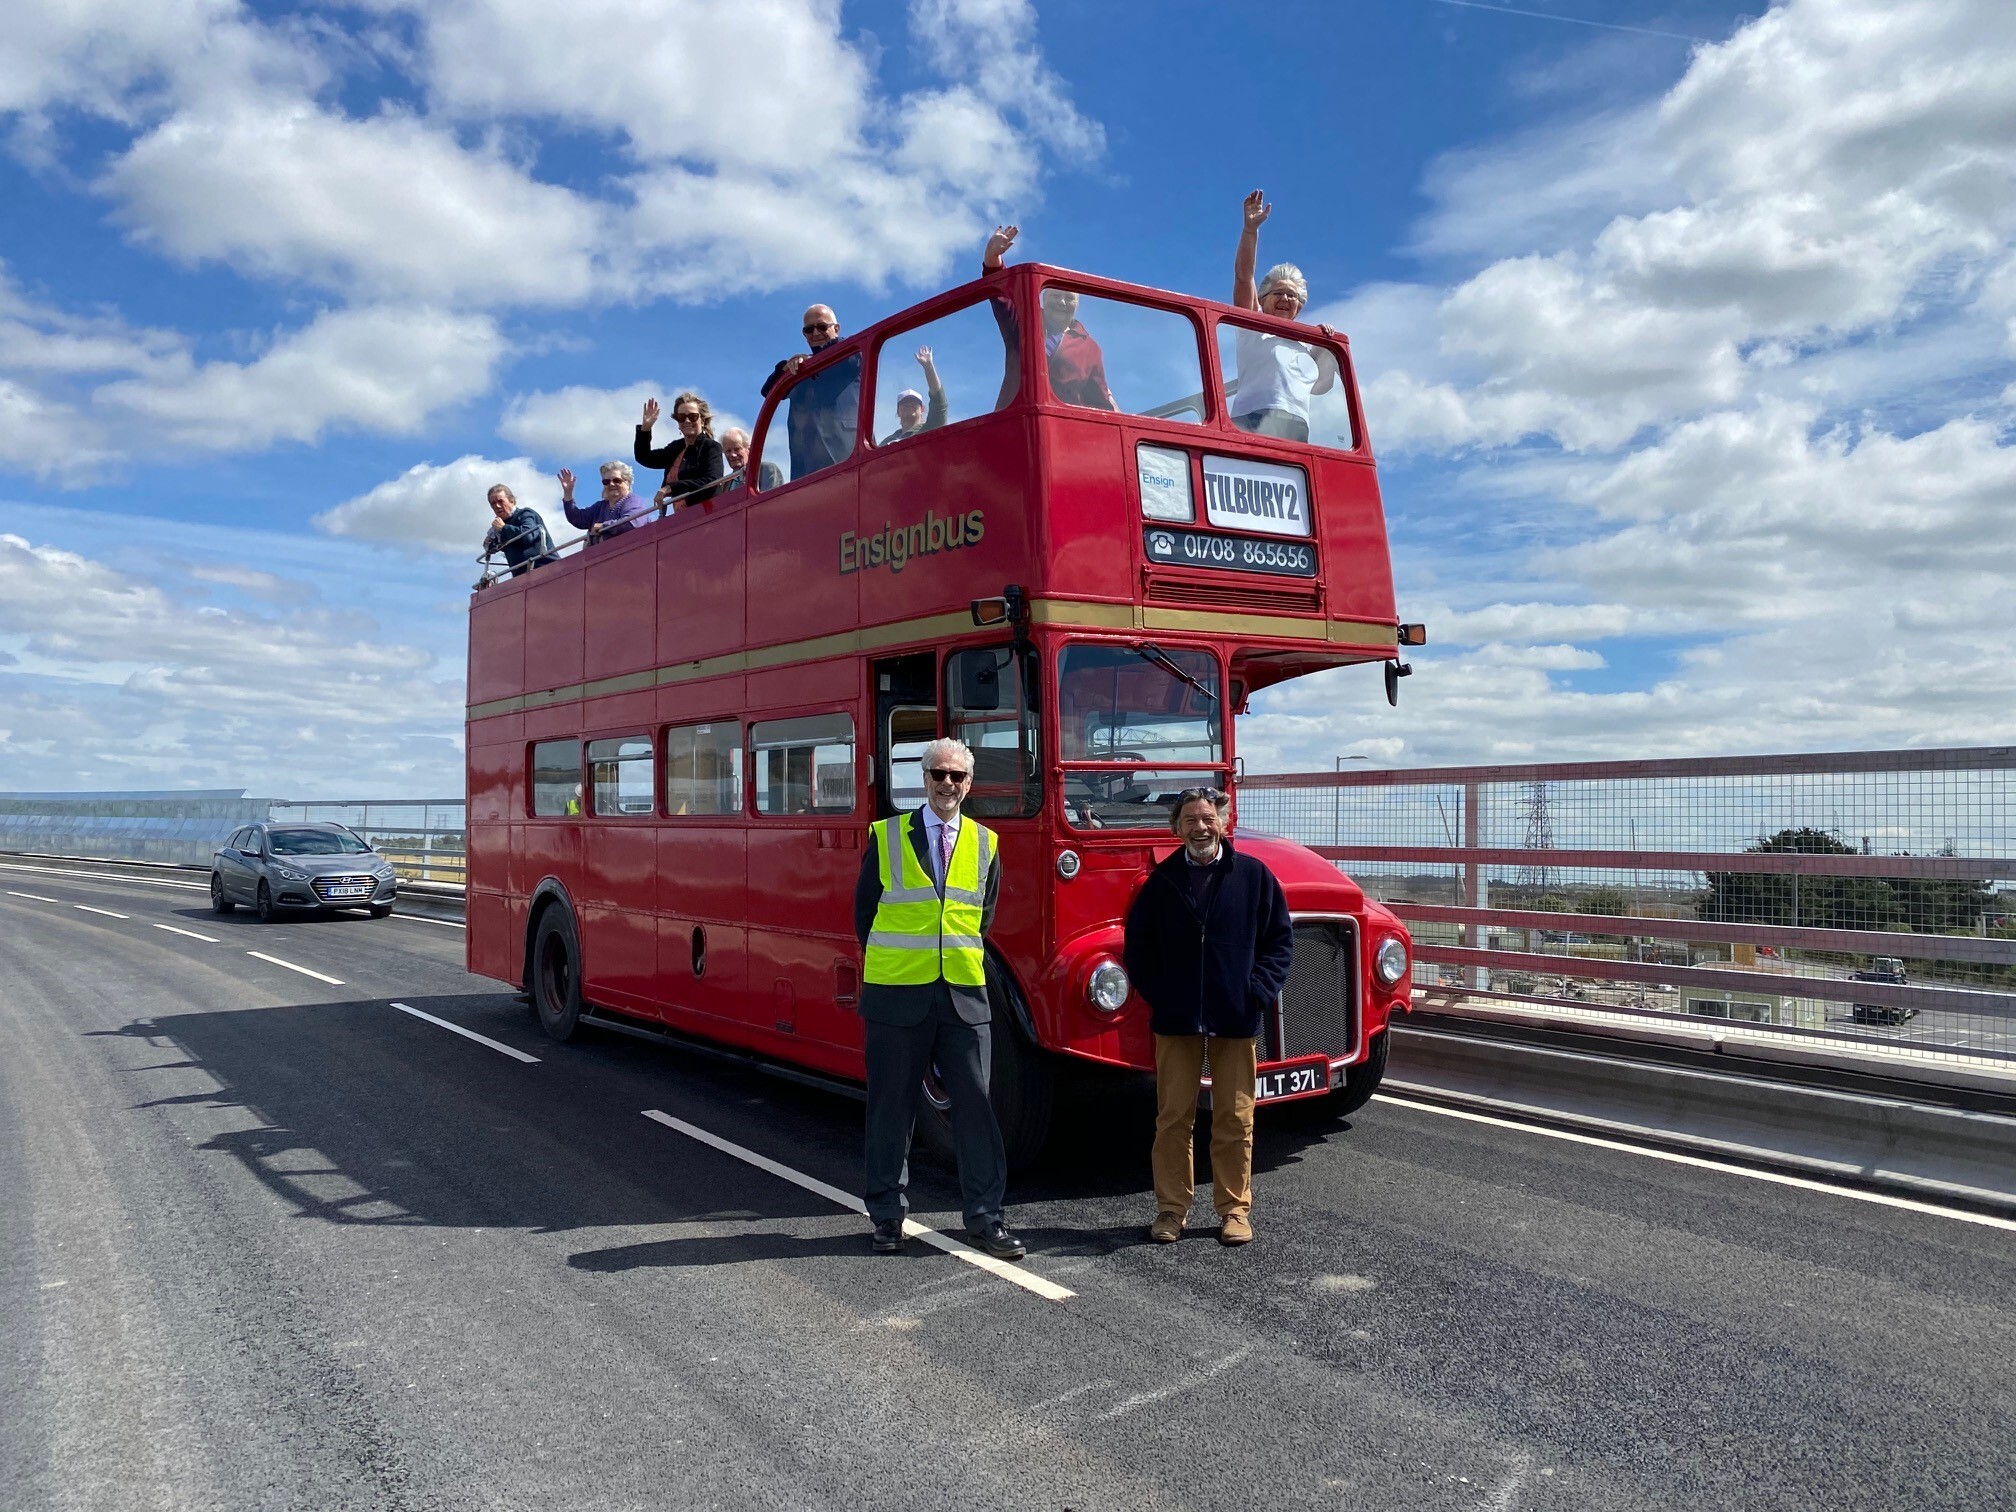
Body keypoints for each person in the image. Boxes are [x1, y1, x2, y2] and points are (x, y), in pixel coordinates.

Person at [853, 737, 1024, 1261]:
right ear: (923, 780)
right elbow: (865, 916)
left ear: (969, 785)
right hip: (897, 996)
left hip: (963, 998)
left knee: (976, 1111)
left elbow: (983, 916)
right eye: (937, 775)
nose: (946, 784)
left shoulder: (985, 843)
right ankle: (885, 1218)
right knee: (891, 1110)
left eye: (956, 776)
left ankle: (985, 1221)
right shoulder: (885, 837)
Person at [1123, 786, 1293, 1247]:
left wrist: (1255, 992)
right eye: (1190, 820)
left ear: (1223, 822)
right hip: (1176, 1020)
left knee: (1235, 1119)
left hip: (1235, 1018)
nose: (1200, 827)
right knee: (1173, 1119)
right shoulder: (1160, 882)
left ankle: (1234, 1211)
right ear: (1176, 828)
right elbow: (1137, 949)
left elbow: (1280, 944)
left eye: (1208, 818)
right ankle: (1171, 1210)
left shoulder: (1255, 877)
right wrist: (1160, 993)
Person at [1229, 189, 1339, 442]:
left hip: (1297, 428)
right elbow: (1243, 277)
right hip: (1252, 420)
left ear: (1299, 307)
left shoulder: (1304, 343)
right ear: (1262, 299)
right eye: (1279, 293)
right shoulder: (1252, 325)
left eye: (1293, 297)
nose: (1286, 299)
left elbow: (1321, 387)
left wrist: (1326, 345)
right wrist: (1250, 231)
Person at [761, 303, 860, 479]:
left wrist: (810, 361)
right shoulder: (799, 370)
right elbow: (769, 392)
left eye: (822, 326)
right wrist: (786, 368)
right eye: (809, 329)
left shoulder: (850, 352)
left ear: (836, 328)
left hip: (846, 458)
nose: (815, 333)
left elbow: (852, 356)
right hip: (806, 468)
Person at [635, 392, 726, 510]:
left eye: (693, 417)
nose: (687, 421)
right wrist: (646, 428)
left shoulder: (711, 447)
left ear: (702, 421)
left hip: (707, 515)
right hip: (683, 518)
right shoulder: (676, 448)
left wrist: (671, 488)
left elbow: (712, 481)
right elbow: (644, 457)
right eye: (681, 418)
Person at [559, 462, 651, 545]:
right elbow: (577, 519)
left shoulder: (634, 501)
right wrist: (568, 493)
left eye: (617, 480)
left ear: (628, 482)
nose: (611, 484)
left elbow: (632, 523)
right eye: (606, 482)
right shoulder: (600, 507)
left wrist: (602, 526)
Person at [481, 484, 557, 577]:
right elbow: (492, 547)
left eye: (501, 501)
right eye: (493, 503)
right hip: (523, 577)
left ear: (512, 501)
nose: (497, 506)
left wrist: (504, 528)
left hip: (548, 570)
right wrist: (490, 542)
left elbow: (527, 536)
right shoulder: (498, 528)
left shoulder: (526, 514)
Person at [879, 346, 949, 444]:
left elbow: (939, 401)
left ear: (922, 409)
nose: (908, 404)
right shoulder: (886, 442)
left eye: (914, 402)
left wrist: (928, 366)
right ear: (898, 411)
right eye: (904, 402)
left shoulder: (931, 428)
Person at [719, 427, 783, 492]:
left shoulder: (766, 470)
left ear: (748, 450)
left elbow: (772, 499)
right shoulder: (725, 484)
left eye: (737, 449)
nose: (733, 455)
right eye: (728, 451)